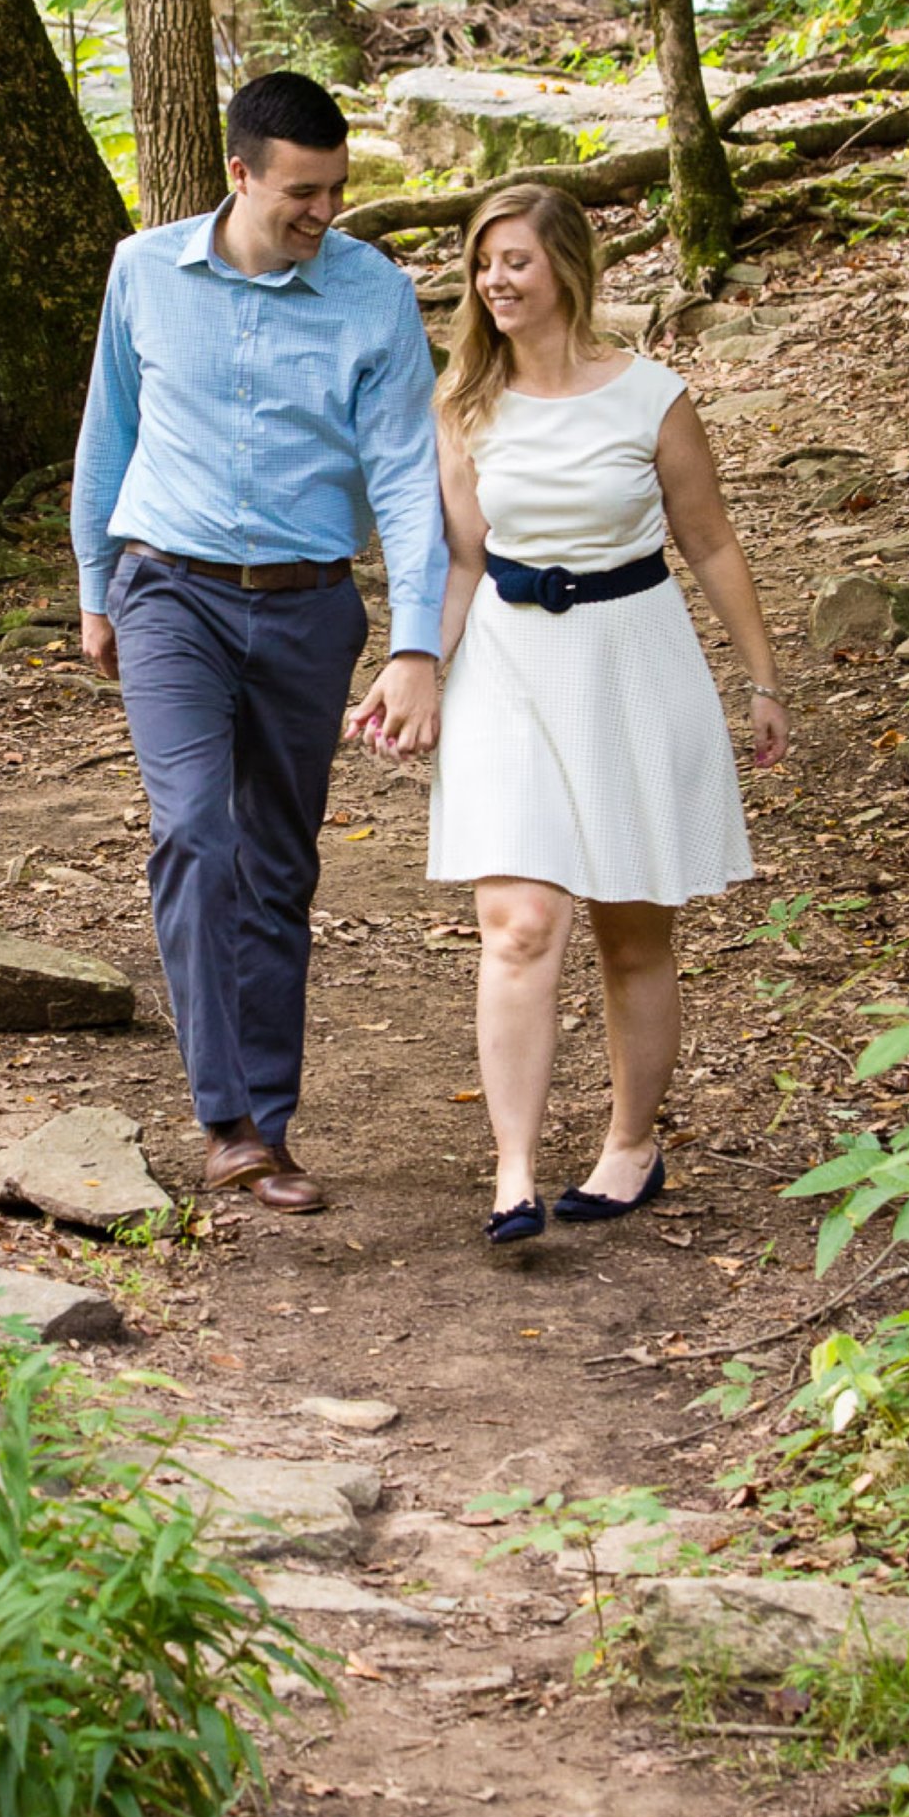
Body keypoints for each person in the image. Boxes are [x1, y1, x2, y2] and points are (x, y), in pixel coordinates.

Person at [356, 179, 788, 1244]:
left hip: (631, 660)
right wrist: (413, 662)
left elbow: (711, 541)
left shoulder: (649, 395)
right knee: (518, 921)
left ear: (565, 269)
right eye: (481, 263)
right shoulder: (462, 401)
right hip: (505, 663)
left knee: (631, 933)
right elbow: (459, 559)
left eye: (514, 260)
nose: (493, 280)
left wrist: (763, 677)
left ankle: (630, 1145)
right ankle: (511, 1171)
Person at [73, 69, 446, 1214]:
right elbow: (108, 430)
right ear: (238, 173)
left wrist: (416, 641)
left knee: (279, 864)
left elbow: (406, 476)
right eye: (300, 193)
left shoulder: (371, 291)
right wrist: (95, 590)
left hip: (306, 605)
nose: (320, 213)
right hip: (167, 589)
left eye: (334, 191)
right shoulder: (143, 270)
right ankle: (225, 1121)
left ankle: (269, 1119)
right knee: (194, 832)